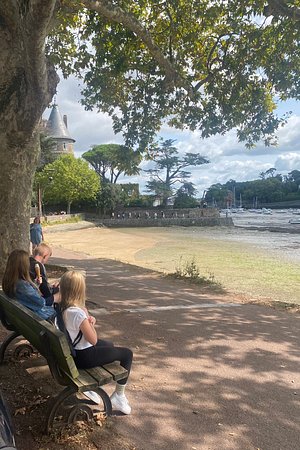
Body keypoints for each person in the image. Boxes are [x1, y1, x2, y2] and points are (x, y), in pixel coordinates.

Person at [58, 270, 133, 414]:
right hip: (84, 357)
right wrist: (89, 321)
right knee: (127, 354)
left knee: (109, 345)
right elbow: (93, 340)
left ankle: (98, 391)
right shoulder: (78, 313)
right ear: (80, 290)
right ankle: (119, 395)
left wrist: (86, 319)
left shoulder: (64, 308)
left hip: (74, 352)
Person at [2, 249, 57, 321]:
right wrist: (56, 297)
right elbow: (40, 303)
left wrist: (36, 285)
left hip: (21, 319)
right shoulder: (22, 285)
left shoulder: (8, 281)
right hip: (39, 320)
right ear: (24, 266)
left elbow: (28, 298)